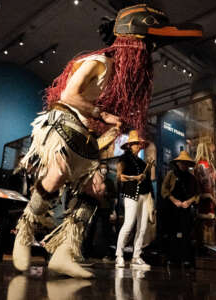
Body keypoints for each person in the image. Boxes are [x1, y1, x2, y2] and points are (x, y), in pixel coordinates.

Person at [12, 4, 203, 278]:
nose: (147, 53)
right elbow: (69, 96)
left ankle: (65, 251)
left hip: (86, 133)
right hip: (62, 122)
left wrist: (109, 131)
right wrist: (103, 114)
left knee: (96, 190)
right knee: (56, 175)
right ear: (129, 40)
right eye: (145, 43)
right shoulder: (98, 62)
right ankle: (24, 232)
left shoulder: (117, 78)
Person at [115, 130, 154, 270]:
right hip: (131, 193)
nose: (138, 145)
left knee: (142, 227)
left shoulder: (143, 163)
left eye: (138, 143)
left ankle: (136, 256)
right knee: (129, 224)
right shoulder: (123, 159)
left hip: (144, 195)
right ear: (129, 145)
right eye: (135, 143)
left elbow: (148, 183)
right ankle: (119, 255)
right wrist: (134, 178)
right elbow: (119, 177)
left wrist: (151, 199)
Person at [161, 151, 200, 267]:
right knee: (172, 233)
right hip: (172, 208)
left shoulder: (192, 178)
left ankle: (186, 258)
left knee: (186, 233)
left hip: (186, 208)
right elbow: (164, 190)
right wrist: (174, 200)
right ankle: (172, 258)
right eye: (181, 163)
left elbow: (198, 194)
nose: (183, 165)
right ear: (177, 163)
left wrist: (189, 201)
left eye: (185, 163)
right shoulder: (171, 174)